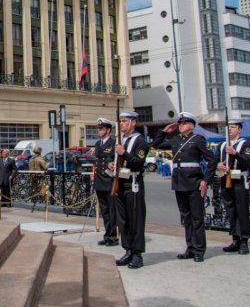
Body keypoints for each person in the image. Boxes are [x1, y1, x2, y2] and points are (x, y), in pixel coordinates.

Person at [151, 112, 218, 263]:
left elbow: (212, 161)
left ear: (192, 125)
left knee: (197, 218)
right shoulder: (175, 139)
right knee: (186, 218)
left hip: (194, 182)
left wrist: (205, 180)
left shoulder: (198, 139)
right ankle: (190, 247)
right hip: (179, 182)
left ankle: (199, 249)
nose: (181, 125)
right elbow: (156, 145)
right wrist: (164, 132)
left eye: (185, 123)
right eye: (180, 123)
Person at [114, 111, 149, 270]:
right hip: (120, 184)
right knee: (123, 221)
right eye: (120, 121)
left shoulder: (140, 141)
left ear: (133, 123)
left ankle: (137, 254)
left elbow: (138, 163)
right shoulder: (121, 140)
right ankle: (128, 250)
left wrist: (124, 153)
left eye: (124, 121)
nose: (121, 124)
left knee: (136, 220)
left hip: (133, 184)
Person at [216, 119, 250, 255]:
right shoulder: (222, 145)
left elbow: (247, 161)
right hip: (225, 179)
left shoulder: (245, 144)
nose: (230, 129)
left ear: (239, 130)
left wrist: (235, 154)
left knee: (241, 211)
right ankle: (235, 239)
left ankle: (244, 241)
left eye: (233, 127)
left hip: (239, 181)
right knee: (230, 210)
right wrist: (218, 165)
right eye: (228, 127)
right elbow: (215, 161)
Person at [91, 117, 119, 247]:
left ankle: (113, 236)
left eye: (101, 128)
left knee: (112, 210)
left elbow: (118, 159)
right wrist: (93, 173)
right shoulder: (98, 144)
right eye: (98, 128)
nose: (99, 131)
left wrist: (113, 164)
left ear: (108, 130)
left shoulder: (114, 143)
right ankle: (107, 234)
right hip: (99, 180)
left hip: (109, 180)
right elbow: (96, 161)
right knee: (104, 210)